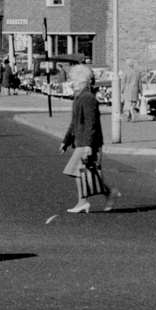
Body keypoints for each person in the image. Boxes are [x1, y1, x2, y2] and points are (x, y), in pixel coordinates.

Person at [59, 63, 113, 213]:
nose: (72, 83)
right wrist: (66, 141)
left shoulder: (88, 98)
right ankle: (106, 194)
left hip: (88, 143)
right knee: (86, 174)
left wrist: (89, 145)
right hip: (81, 141)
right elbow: (74, 122)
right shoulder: (79, 98)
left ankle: (83, 202)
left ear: (82, 81)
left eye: (74, 80)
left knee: (82, 172)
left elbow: (91, 123)